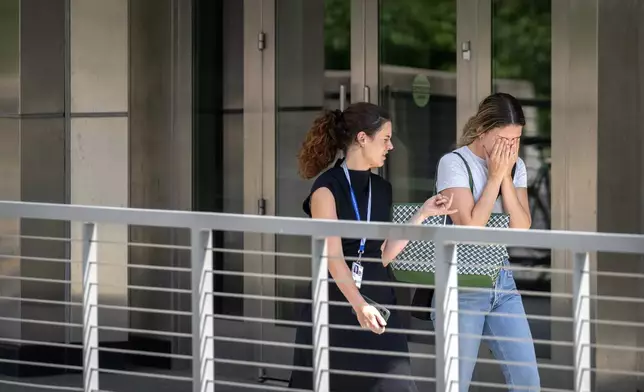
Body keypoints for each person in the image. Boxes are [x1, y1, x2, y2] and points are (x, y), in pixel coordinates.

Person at [288, 102, 456, 391]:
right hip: (338, 303)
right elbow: (334, 258)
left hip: (378, 301)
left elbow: (383, 255)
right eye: (386, 138)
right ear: (362, 138)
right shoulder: (326, 189)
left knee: (397, 382)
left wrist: (423, 214)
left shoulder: (381, 188)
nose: (391, 146)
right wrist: (359, 306)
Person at [432, 92, 540, 391]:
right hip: (462, 285)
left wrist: (505, 177)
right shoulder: (453, 163)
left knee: (528, 380)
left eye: (516, 139)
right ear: (482, 131)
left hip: (502, 281)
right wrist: (493, 179)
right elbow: (469, 230)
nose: (511, 147)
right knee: (456, 383)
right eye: (504, 139)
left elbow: (521, 227)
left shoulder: (515, 166)